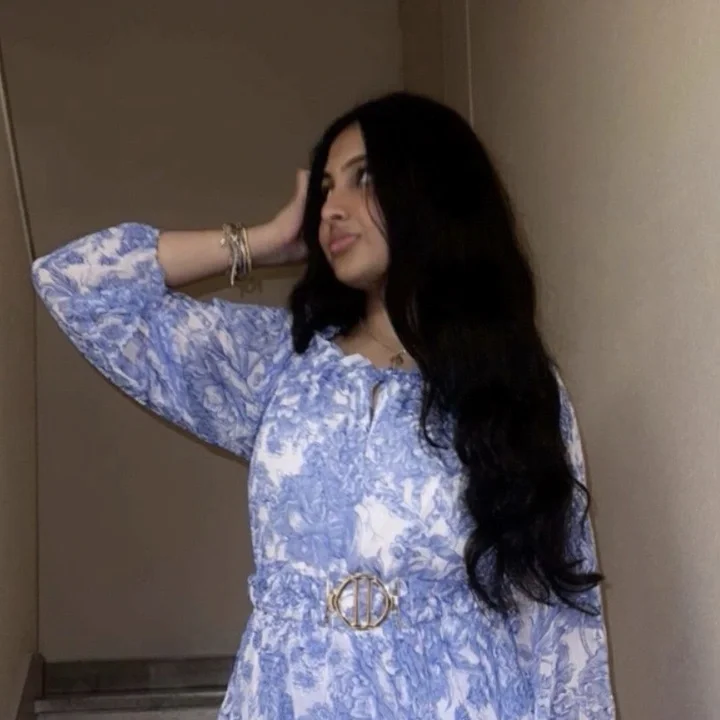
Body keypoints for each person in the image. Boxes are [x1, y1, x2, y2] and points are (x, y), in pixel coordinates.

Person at [32, 92, 616, 719]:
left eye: (364, 178)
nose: (331, 209)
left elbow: (562, 627)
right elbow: (76, 285)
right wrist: (262, 240)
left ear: (431, 188)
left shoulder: (512, 386)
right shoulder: (279, 365)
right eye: (326, 189)